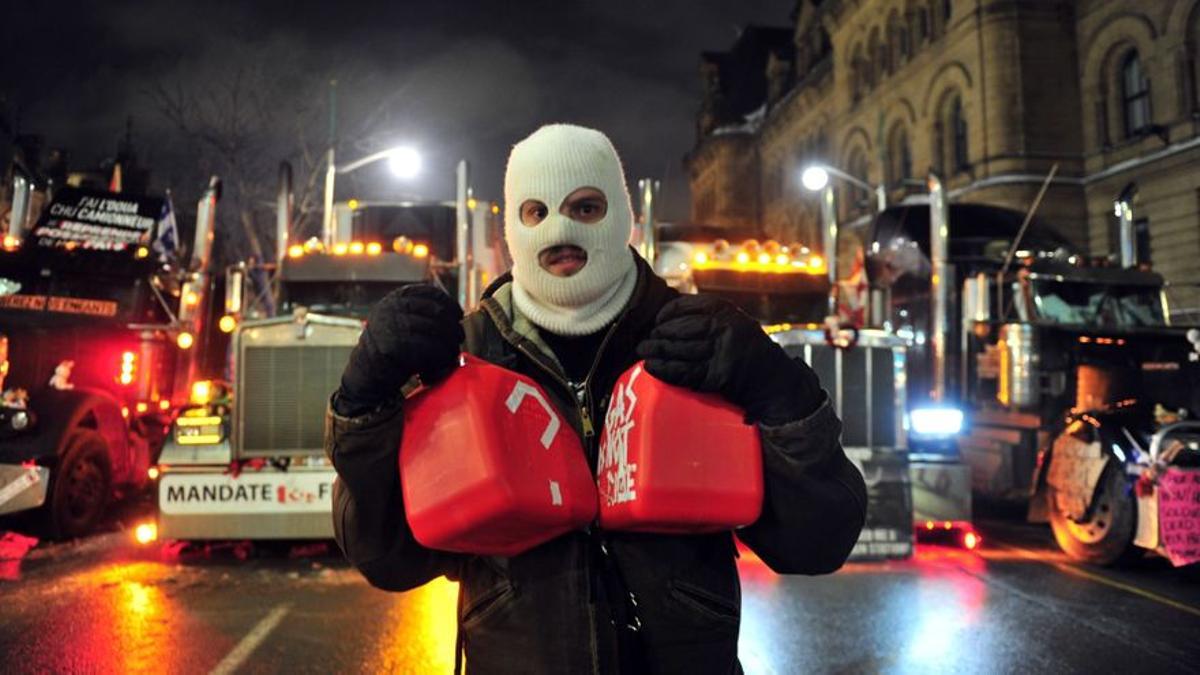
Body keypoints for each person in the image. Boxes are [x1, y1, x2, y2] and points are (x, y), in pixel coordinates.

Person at [325, 124, 867, 674]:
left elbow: (818, 542)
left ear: (622, 215)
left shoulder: (699, 342)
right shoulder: (462, 359)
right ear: (514, 225)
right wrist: (364, 406)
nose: (560, 231)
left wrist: (778, 388)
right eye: (536, 212)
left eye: (585, 208)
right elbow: (387, 557)